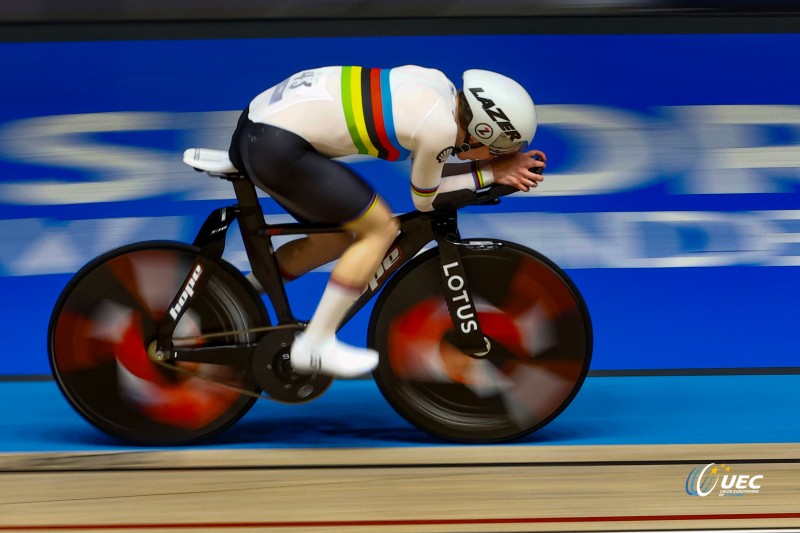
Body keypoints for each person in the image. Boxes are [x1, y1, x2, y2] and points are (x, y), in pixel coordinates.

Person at [228, 65, 546, 378]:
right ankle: (315, 344)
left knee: (336, 239)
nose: (492, 156)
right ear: (481, 130)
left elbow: (430, 172)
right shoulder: (439, 128)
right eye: (495, 149)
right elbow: (426, 199)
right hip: (276, 144)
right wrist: (491, 174)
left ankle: (235, 295)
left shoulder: (437, 84)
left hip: (255, 125)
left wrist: (489, 170)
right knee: (380, 229)